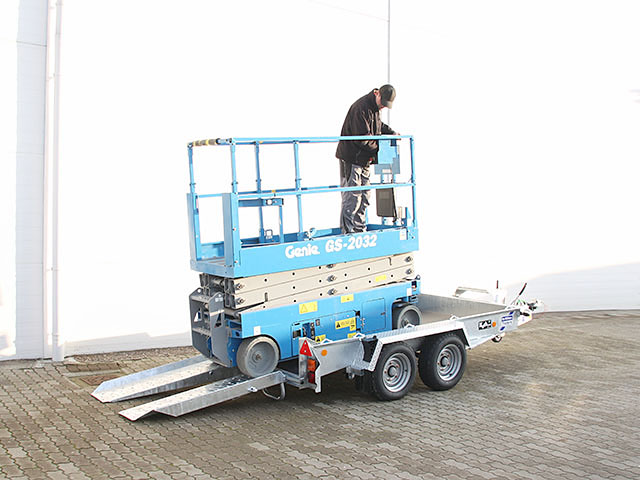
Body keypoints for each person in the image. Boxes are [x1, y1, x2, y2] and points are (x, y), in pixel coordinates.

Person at [336, 85, 398, 234]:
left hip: (364, 159)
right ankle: (348, 232)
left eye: (386, 105)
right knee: (352, 196)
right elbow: (362, 139)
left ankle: (359, 229)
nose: (383, 107)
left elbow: (377, 126)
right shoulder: (361, 108)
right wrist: (380, 148)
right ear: (377, 94)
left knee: (364, 195)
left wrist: (392, 132)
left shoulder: (374, 108)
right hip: (351, 158)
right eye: (383, 103)